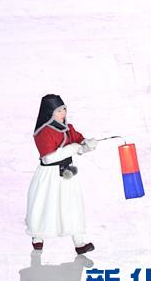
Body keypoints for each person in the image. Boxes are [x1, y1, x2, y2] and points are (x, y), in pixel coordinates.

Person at [26, 94, 99, 255]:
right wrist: (72, 148)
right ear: (50, 112)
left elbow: (79, 142)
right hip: (49, 175)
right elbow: (48, 157)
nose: (63, 113)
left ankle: (79, 242)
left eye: (64, 109)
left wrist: (87, 145)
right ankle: (37, 236)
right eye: (59, 110)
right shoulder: (42, 132)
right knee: (45, 205)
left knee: (73, 205)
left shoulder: (68, 128)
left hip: (67, 173)